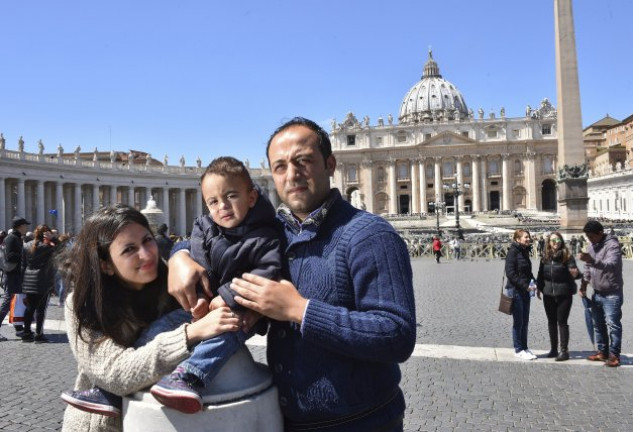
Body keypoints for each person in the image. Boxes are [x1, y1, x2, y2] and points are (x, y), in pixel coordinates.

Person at [168, 117, 416, 431]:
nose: (293, 175)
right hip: (287, 422)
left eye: (303, 161)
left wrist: (298, 310)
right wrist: (180, 256)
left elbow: (396, 335)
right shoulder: (272, 233)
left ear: (330, 164)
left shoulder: (370, 236)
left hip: (362, 423)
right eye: (281, 166)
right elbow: (215, 240)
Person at [58, 204, 240, 431]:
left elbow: (204, 247)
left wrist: (180, 253)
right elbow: (114, 372)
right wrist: (190, 333)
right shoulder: (82, 303)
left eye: (147, 240)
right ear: (105, 265)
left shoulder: (174, 283)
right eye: (129, 249)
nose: (146, 254)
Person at [149, 156, 282, 413]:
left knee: (228, 331)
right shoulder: (203, 227)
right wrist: (199, 297)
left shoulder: (266, 236)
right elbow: (198, 265)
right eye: (213, 201)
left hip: (241, 309)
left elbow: (267, 272)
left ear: (251, 198)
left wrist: (227, 296)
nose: (223, 206)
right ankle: (109, 390)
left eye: (231, 196)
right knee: (159, 327)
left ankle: (190, 376)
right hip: (202, 307)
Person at [578, 220, 623, 367]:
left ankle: (615, 355)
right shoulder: (592, 245)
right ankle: (603, 352)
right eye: (588, 237)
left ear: (600, 233)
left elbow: (612, 265)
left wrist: (592, 260)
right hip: (597, 292)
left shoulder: (613, 245)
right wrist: (583, 284)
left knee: (613, 325)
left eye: (591, 237)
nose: (589, 240)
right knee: (598, 324)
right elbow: (587, 267)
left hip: (612, 293)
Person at [535, 232, 581, 361]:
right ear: (549, 243)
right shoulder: (545, 256)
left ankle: (564, 351)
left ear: (561, 241)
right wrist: (539, 288)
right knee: (551, 322)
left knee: (562, 322)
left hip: (564, 294)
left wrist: (575, 273)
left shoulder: (567, 256)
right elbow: (540, 274)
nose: (556, 242)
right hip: (548, 293)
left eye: (558, 240)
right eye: (553, 240)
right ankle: (553, 349)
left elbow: (575, 273)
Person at [20, 224, 57, 343]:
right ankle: (38, 334)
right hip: (42, 280)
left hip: (28, 280)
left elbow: (23, 266)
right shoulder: (47, 246)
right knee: (41, 309)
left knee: (29, 308)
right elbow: (60, 251)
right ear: (46, 234)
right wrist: (53, 239)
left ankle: (26, 332)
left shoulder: (26, 245)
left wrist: (23, 282)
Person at [505, 229, 537, 360]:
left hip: (525, 290)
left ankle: (525, 347)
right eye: (526, 237)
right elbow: (510, 274)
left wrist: (534, 282)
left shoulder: (524, 251)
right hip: (515, 290)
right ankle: (518, 349)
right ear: (518, 239)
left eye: (528, 237)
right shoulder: (513, 252)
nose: (528, 239)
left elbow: (527, 272)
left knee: (525, 321)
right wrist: (525, 286)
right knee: (518, 322)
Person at [0, 216, 30, 341]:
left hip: (16, 275)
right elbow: (10, 256)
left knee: (16, 302)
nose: (26, 227)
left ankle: (19, 329)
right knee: (7, 302)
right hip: (12, 275)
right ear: (19, 226)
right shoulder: (11, 238)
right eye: (25, 225)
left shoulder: (16, 238)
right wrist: (25, 254)